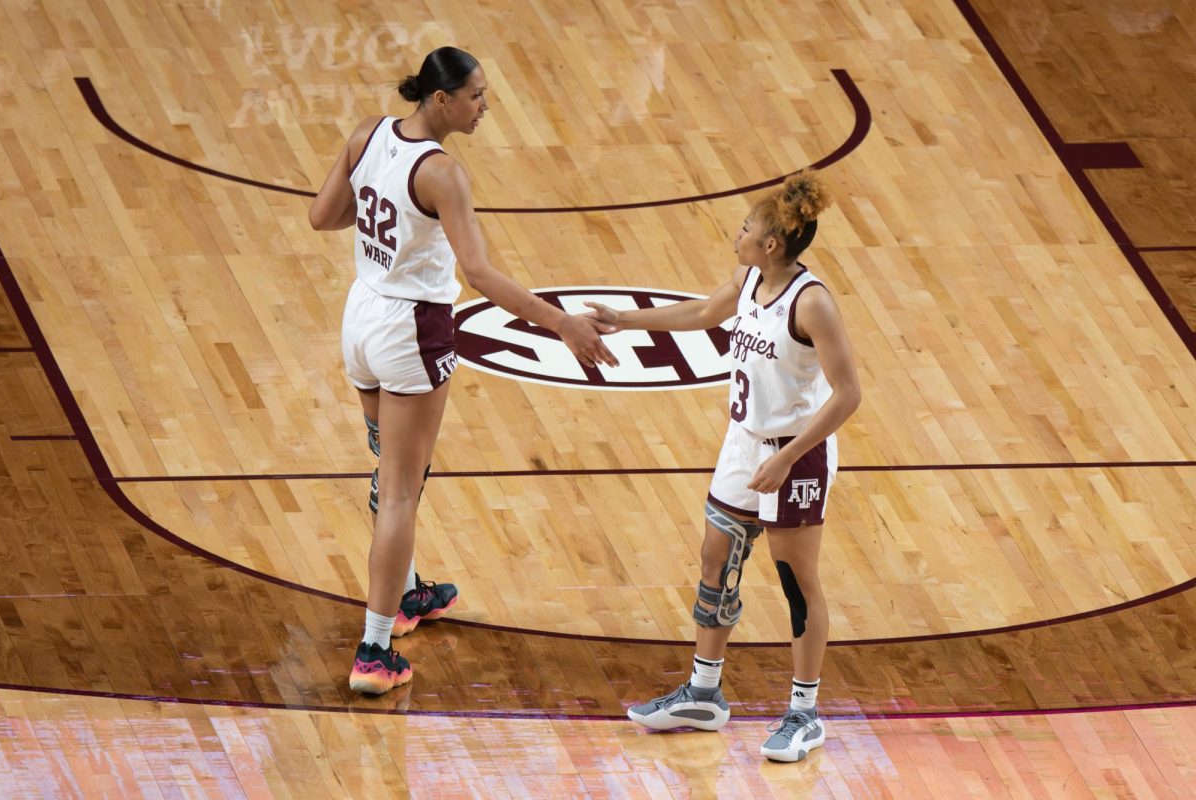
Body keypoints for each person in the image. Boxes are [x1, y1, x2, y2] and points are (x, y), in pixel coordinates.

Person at [309, 46, 618, 695]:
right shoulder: (443, 172)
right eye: (476, 95)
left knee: (388, 464)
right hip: (411, 327)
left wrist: (379, 214)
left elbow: (323, 216)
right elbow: (476, 274)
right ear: (441, 99)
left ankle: (410, 589)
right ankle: (374, 647)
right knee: (400, 488)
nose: (485, 106)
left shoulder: (367, 131)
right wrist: (560, 322)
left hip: (360, 315)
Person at [587, 170, 860, 762]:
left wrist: (787, 459)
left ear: (772, 244)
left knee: (795, 581)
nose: (734, 234)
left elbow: (847, 396)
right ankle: (704, 694)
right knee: (717, 556)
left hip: (798, 452)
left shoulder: (812, 303)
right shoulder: (749, 278)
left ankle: (804, 713)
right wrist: (624, 319)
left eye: (745, 229)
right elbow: (708, 311)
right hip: (743, 442)